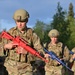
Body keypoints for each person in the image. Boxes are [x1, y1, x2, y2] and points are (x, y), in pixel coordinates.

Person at [2, 9, 45, 75]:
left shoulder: (32, 35)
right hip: (10, 68)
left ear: (27, 21)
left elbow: (41, 54)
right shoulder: (10, 33)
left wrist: (27, 53)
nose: (20, 24)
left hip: (26, 69)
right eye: (17, 21)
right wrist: (5, 46)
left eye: (22, 22)